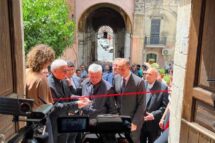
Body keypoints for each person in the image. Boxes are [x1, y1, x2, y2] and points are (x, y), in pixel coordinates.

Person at [48, 59, 90, 143]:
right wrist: (76, 104)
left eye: (66, 70)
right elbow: (55, 107)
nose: (66, 73)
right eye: (64, 71)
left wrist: (79, 98)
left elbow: (68, 96)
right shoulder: (49, 85)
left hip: (65, 119)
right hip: (55, 122)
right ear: (54, 71)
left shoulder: (63, 80)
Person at [113, 58, 146, 143]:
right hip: (119, 120)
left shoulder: (139, 82)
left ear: (129, 67)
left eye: (122, 69)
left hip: (133, 121)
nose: (120, 71)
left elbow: (141, 104)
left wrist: (135, 122)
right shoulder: (116, 79)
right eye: (118, 69)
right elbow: (114, 98)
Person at [140, 68, 169, 143]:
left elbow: (164, 107)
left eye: (150, 74)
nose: (147, 76)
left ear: (156, 77)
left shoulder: (163, 87)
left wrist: (153, 115)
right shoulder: (142, 84)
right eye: (146, 73)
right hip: (141, 123)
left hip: (154, 125)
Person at [25, 44, 55, 109]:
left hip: (24, 111)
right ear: (45, 61)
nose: (50, 63)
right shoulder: (41, 79)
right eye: (50, 61)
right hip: (36, 115)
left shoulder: (25, 72)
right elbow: (45, 105)